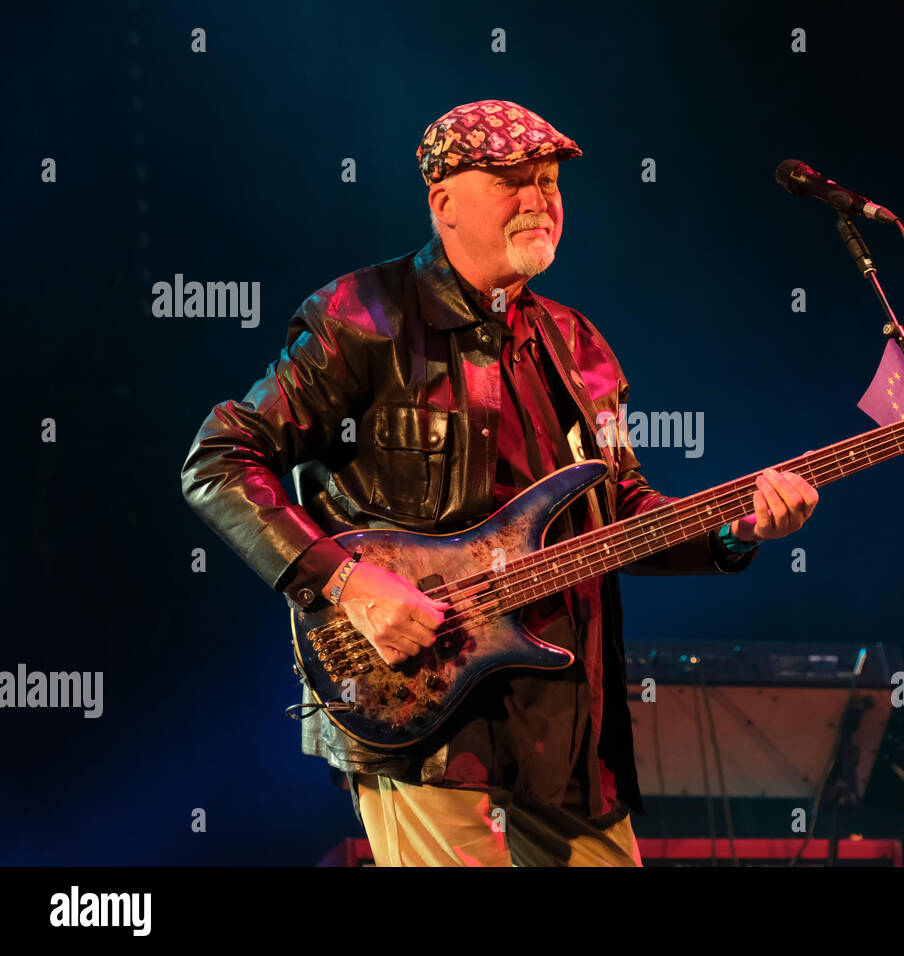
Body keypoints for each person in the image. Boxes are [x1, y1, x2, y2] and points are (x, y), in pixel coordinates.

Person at [180, 99, 819, 866]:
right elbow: (218, 460)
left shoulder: (581, 347)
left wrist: (732, 528)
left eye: (548, 182)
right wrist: (350, 583)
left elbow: (621, 516)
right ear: (442, 202)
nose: (539, 200)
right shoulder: (362, 318)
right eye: (512, 180)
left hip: (569, 735)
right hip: (428, 719)